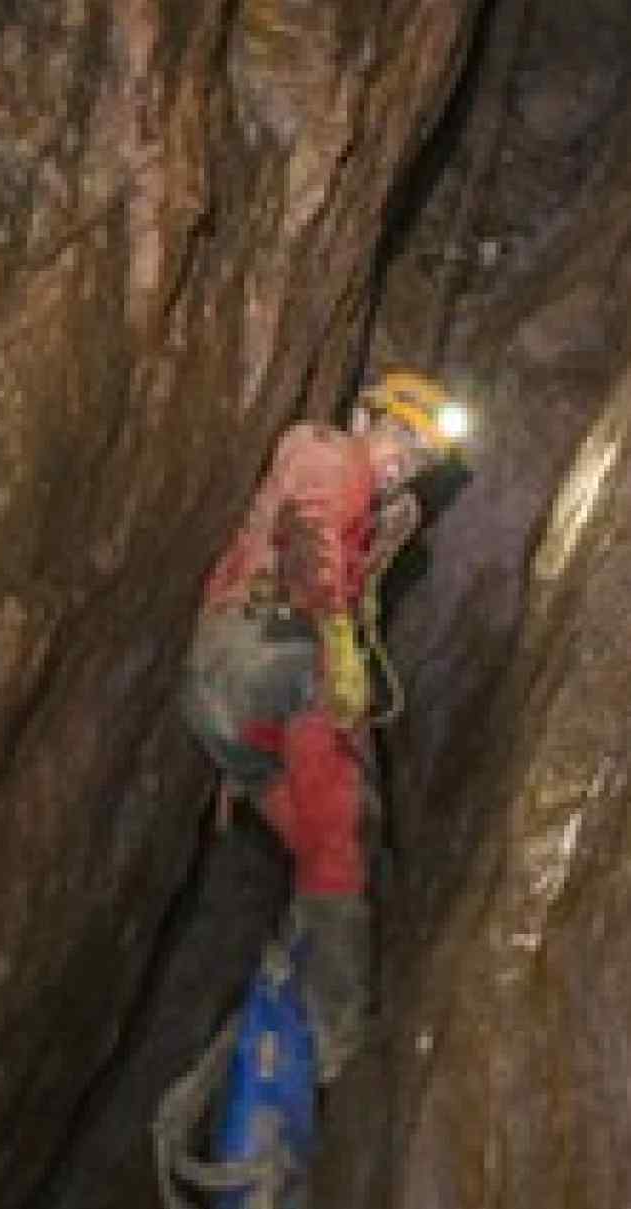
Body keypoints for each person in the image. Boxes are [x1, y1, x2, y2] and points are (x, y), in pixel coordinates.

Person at [180, 369, 473, 1082]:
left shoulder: (376, 514)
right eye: (400, 432)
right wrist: (337, 639)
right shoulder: (331, 454)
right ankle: (343, 1040)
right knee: (343, 822)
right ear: (364, 417)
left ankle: (299, 975)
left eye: (423, 454)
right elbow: (311, 528)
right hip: (268, 650)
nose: (406, 457)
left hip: (237, 703)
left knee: (332, 846)